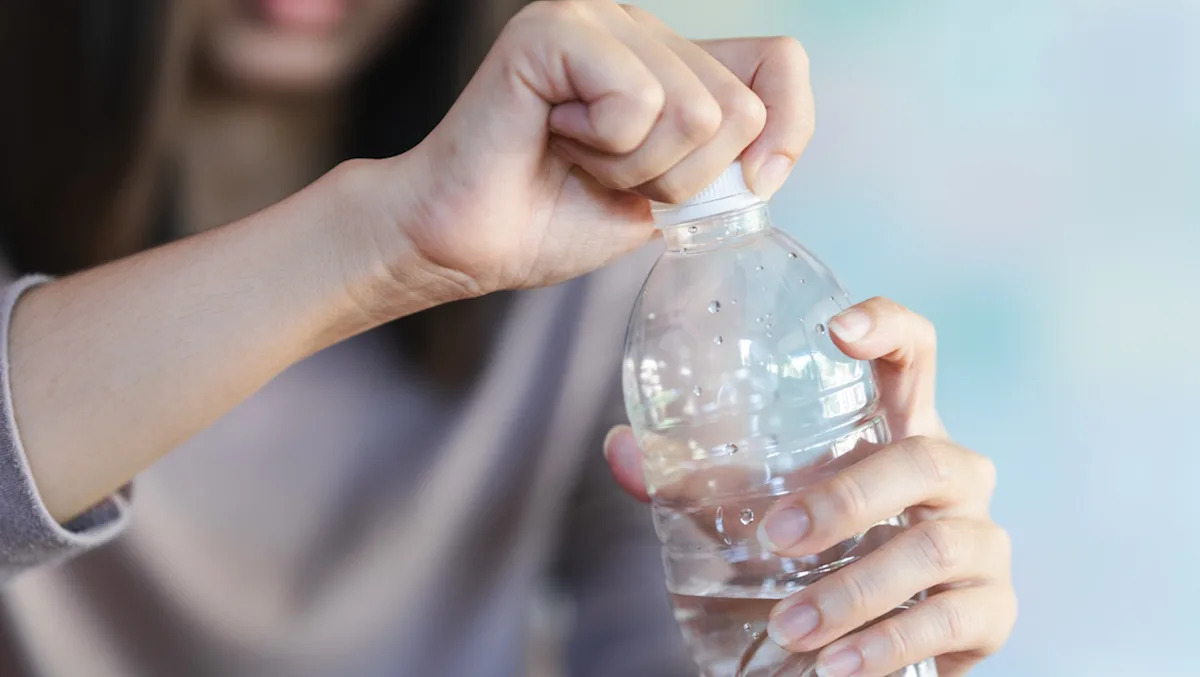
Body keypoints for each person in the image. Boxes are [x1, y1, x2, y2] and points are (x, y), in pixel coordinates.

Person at [0, 1, 1016, 676]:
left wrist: (841, 622)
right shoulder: (481, 232)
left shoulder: (576, 269)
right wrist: (386, 245)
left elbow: (680, 646)